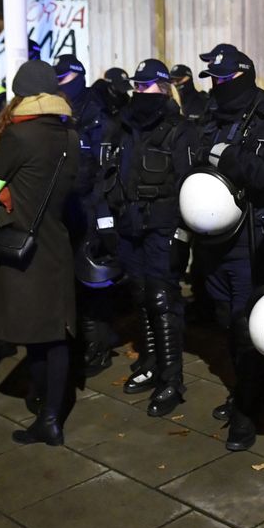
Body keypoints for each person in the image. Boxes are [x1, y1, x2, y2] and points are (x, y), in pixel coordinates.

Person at [186, 47, 264, 450]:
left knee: (247, 324)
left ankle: (249, 405)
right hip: (213, 241)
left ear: (245, 75)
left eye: (225, 79)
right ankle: (250, 388)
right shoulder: (210, 117)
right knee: (227, 320)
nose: (217, 86)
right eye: (212, 78)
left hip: (251, 241)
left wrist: (227, 157)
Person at [0, 61, 79, 445]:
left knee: (34, 335)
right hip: (56, 242)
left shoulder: (19, 138)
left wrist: (3, 198)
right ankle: (51, 413)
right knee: (55, 333)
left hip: (24, 245)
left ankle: (44, 412)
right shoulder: (69, 135)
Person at [97, 60, 197, 416]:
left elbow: (190, 185)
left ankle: (172, 378)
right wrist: (107, 222)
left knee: (163, 299)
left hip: (163, 227)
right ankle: (152, 362)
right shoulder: (121, 126)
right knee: (140, 295)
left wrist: (184, 235)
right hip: (129, 225)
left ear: (164, 87)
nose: (142, 92)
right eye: (138, 86)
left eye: (149, 86)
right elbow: (106, 175)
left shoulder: (180, 129)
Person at [54, 53, 121, 374]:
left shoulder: (96, 116)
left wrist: (103, 221)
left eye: (64, 79)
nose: (59, 85)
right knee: (74, 285)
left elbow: (101, 173)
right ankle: (85, 344)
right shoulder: (62, 112)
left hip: (91, 211)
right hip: (68, 211)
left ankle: (98, 348)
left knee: (94, 283)